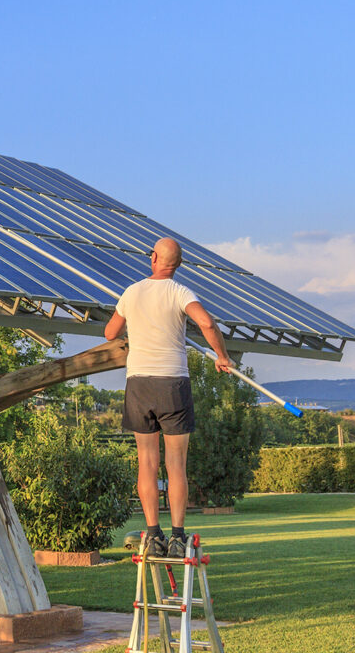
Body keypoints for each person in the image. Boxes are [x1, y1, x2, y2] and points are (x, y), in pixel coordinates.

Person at [104, 237, 233, 557]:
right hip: (173, 384)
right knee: (176, 464)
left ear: (154, 258)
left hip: (139, 384)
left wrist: (135, 324)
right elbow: (206, 322)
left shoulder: (131, 293)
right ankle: (177, 536)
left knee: (147, 462)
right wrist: (222, 356)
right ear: (176, 265)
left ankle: (152, 534)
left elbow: (110, 333)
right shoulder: (180, 293)